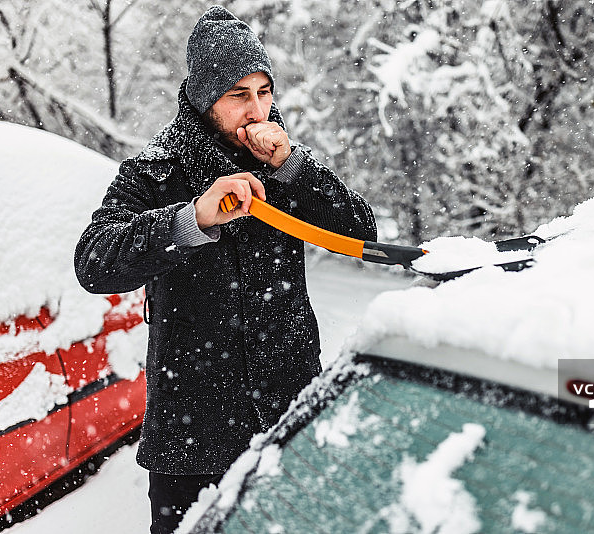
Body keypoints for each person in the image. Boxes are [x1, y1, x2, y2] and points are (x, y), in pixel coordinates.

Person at [74, 6, 376, 533]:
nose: (257, 110)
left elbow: (360, 232)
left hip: (289, 418)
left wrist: (294, 167)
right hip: (194, 436)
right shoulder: (159, 169)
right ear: (205, 97)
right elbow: (95, 261)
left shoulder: (282, 160)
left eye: (264, 92)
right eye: (238, 96)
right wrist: (192, 218)